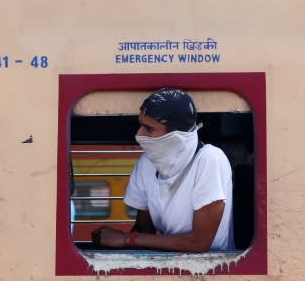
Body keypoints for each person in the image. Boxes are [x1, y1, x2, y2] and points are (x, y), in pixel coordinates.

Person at [92, 88, 234, 251]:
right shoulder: (147, 163)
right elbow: (144, 231)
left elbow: (199, 242)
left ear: (175, 135)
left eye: (149, 128)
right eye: (141, 126)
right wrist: (110, 238)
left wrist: (126, 239)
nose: (139, 133)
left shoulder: (210, 160)